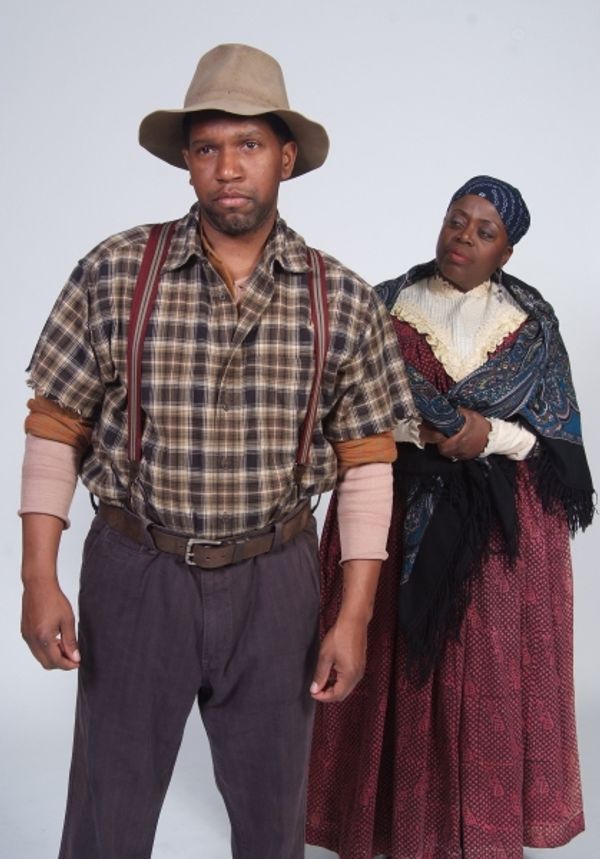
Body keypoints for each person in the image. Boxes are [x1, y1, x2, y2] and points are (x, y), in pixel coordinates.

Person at [18, 44, 414, 859]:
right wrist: (37, 578)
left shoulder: (340, 297)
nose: (228, 167)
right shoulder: (116, 271)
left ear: (286, 157)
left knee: (272, 814)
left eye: (249, 145)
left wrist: (354, 615)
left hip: (276, 582)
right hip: (135, 573)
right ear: (188, 162)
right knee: (107, 812)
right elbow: (55, 426)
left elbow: (368, 463)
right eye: (207, 148)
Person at [307, 176, 595, 859]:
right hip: (393, 501)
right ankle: (387, 820)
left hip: (498, 520)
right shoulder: (383, 306)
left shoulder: (532, 325)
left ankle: (479, 826)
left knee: (485, 667)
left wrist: (485, 434)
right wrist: (421, 429)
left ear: (507, 251)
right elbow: (342, 405)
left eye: (484, 231)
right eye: (455, 220)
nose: (463, 236)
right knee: (387, 653)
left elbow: (555, 441)